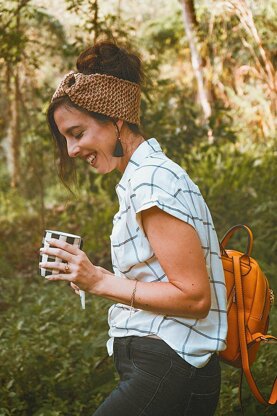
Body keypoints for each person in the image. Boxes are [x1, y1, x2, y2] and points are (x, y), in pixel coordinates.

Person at [40, 41, 227, 416]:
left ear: (116, 119)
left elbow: (193, 297)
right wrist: (100, 275)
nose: (72, 149)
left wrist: (98, 281)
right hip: (164, 365)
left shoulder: (151, 181)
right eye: (65, 139)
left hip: (170, 362)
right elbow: (162, 280)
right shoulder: (143, 178)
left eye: (77, 133)